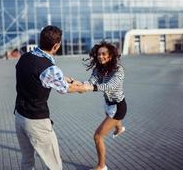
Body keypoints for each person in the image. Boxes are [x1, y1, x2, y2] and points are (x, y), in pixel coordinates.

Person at [14, 25, 90, 170]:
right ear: (56, 46)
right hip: (37, 122)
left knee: (27, 161)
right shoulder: (48, 67)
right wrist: (83, 88)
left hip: (19, 116)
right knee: (54, 164)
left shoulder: (25, 57)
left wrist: (70, 79)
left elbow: (45, 77)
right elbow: (64, 88)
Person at [84, 41, 127, 170]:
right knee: (111, 117)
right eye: (98, 54)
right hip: (108, 104)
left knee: (97, 136)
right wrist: (76, 84)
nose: (100, 56)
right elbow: (90, 82)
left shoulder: (119, 70)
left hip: (118, 107)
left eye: (103, 54)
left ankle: (101, 166)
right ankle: (119, 128)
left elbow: (109, 86)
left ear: (110, 56)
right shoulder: (98, 69)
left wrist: (89, 88)